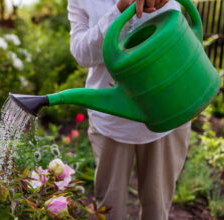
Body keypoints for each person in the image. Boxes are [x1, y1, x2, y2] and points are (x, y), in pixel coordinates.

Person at [67, 0, 192, 219]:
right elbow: (82, 54)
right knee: (110, 208)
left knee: (157, 208)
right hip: (112, 114)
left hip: (166, 107)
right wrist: (119, 12)